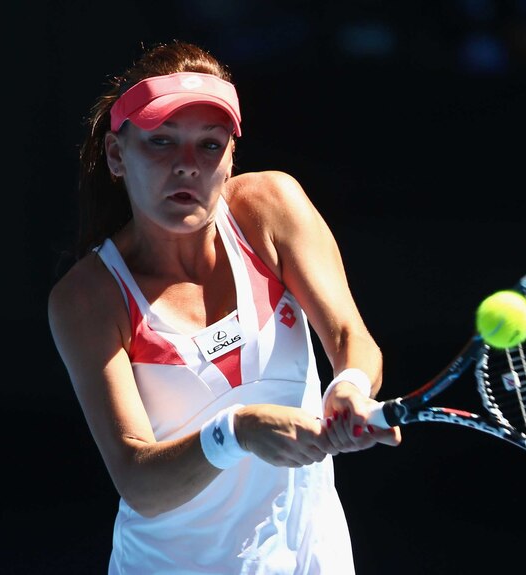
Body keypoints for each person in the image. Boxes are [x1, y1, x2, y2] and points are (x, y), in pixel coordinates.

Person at [47, 39, 401, 574]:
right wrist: (238, 431)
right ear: (117, 156)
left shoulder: (270, 207)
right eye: (161, 142)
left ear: (232, 157)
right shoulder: (87, 297)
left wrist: (348, 385)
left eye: (209, 145)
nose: (187, 166)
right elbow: (139, 479)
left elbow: (352, 337)